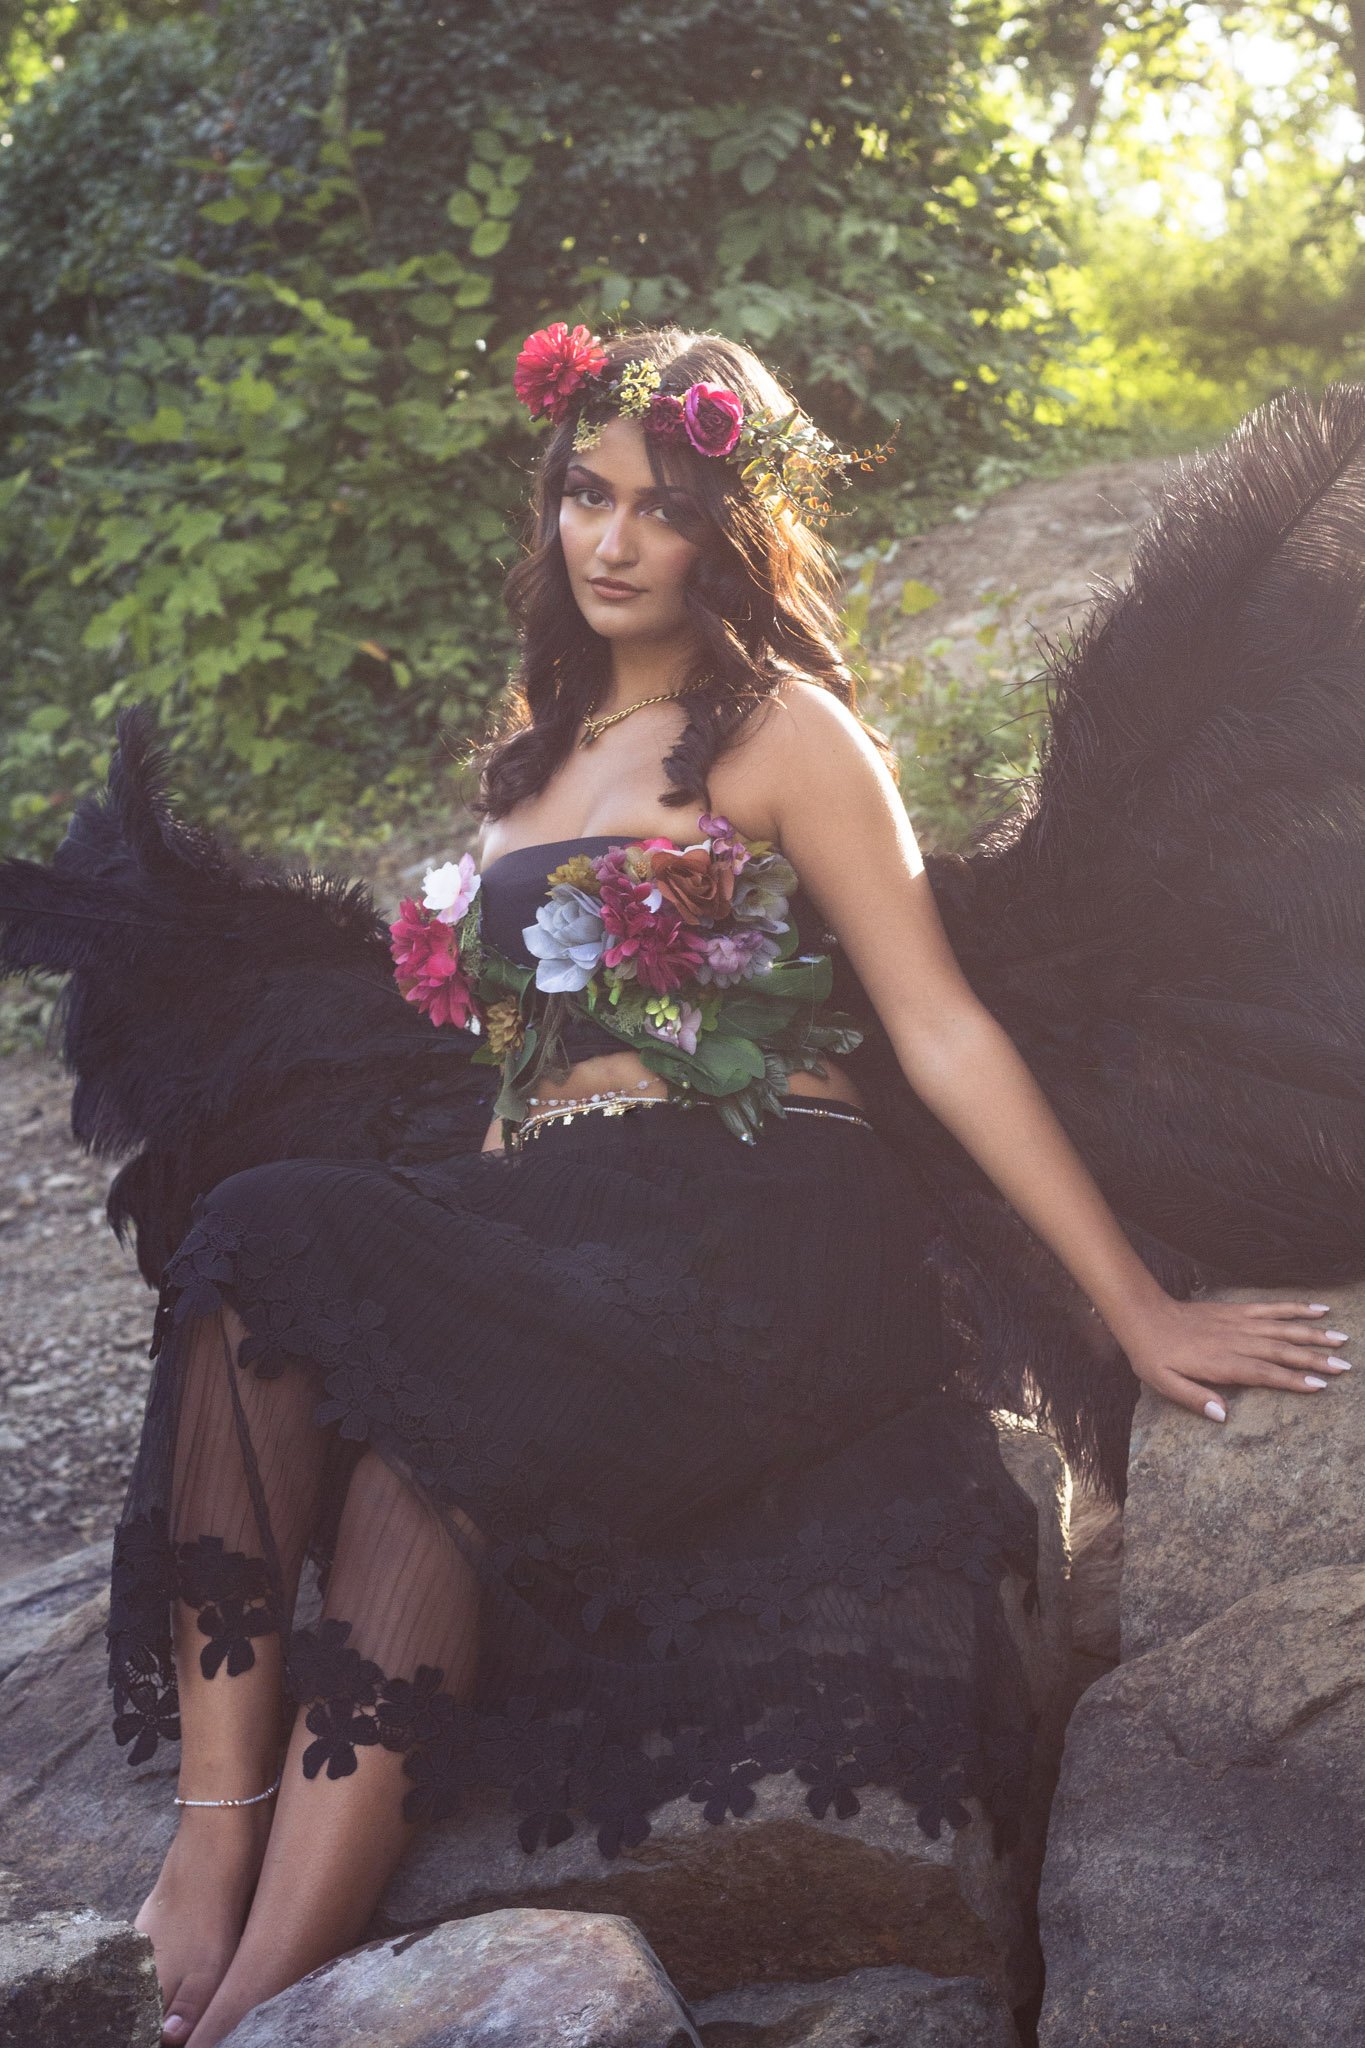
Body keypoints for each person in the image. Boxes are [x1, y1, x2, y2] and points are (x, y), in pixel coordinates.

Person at [2, 323, 1361, 2048]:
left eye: (664, 506)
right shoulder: (524, 770)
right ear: (547, 506)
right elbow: (518, 1079)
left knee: (375, 1363)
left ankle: (261, 1980)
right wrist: (460, 1220)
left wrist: (1135, 1303)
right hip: (569, 1216)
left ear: (735, 534)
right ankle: (220, 1843)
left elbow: (935, 1028)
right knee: (301, 1284)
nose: (616, 539)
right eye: (586, 493)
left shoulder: (788, 734)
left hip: (765, 1223)